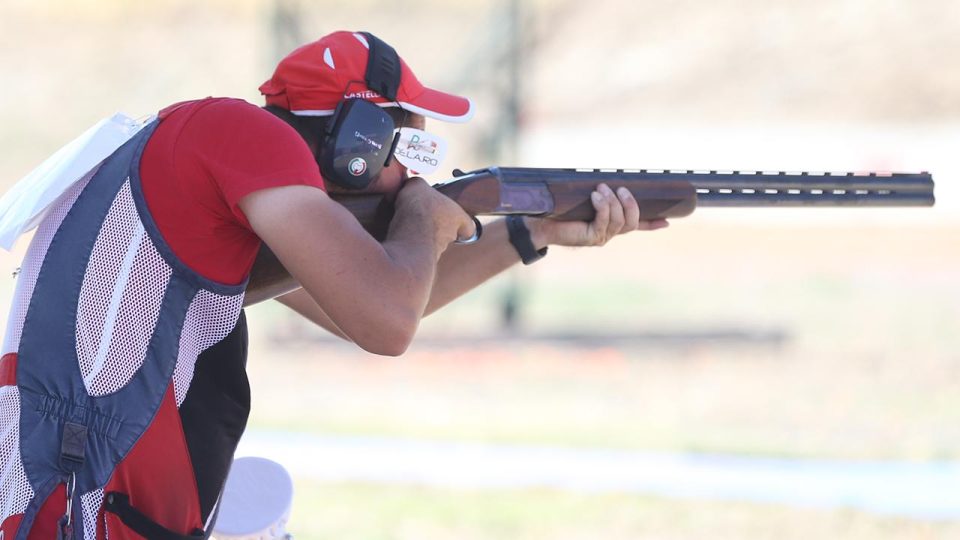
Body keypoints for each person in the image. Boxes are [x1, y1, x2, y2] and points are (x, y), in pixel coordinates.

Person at [0, 30, 667, 539]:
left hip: (80, 494)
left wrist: (534, 233)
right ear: (360, 137)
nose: (416, 172)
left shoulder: (213, 175)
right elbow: (386, 321)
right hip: (77, 503)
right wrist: (421, 214)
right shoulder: (239, 135)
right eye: (412, 148)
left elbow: (391, 296)